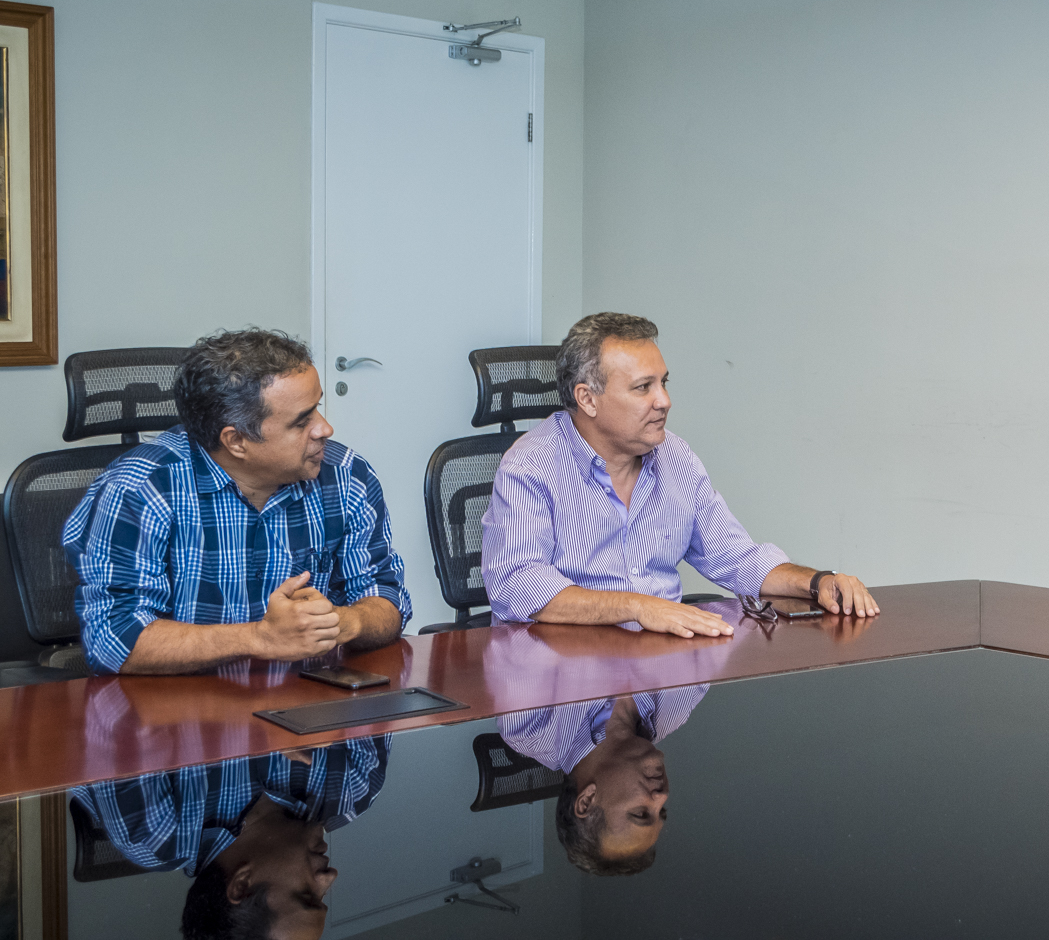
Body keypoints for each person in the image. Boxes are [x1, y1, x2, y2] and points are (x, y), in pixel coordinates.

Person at [481, 312, 877, 636]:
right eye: (643, 388)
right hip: (560, 676)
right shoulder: (530, 466)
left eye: (663, 383)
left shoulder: (675, 455)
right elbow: (518, 586)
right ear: (587, 398)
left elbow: (736, 557)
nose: (664, 401)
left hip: (659, 667)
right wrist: (638, 606)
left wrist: (819, 581)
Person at [64, 329, 411, 674]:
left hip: (307, 703)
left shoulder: (347, 475)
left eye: (316, 409)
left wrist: (343, 621)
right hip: (179, 713)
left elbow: (387, 601)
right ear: (237, 442)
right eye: (302, 421)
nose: (325, 429)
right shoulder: (141, 490)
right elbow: (113, 639)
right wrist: (259, 638)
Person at [71, 737, 389, 940]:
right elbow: (379, 655)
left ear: (242, 885)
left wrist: (256, 728)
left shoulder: (153, 830)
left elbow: (112, 703)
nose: (328, 877)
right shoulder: (352, 788)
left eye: (306, 896)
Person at [497, 684, 707, 875]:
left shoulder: (530, 729)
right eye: (661, 811)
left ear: (587, 800)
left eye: (641, 813)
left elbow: (522, 644)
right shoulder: (674, 711)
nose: (662, 796)